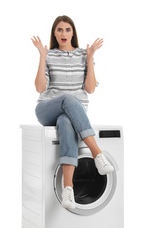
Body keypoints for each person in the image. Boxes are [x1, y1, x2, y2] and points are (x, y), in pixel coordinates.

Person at [31, 15, 114, 210]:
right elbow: (40, 88)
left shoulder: (83, 55)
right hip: (46, 109)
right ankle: (97, 153)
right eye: (59, 30)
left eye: (67, 30)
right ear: (54, 33)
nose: (63, 33)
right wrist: (42, 57)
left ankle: (68, 189)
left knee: (66, 122)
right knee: (69, 99)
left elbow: (91, 88)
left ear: (73, 33)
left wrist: (91, 57)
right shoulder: (49, 54)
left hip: (73, 115)